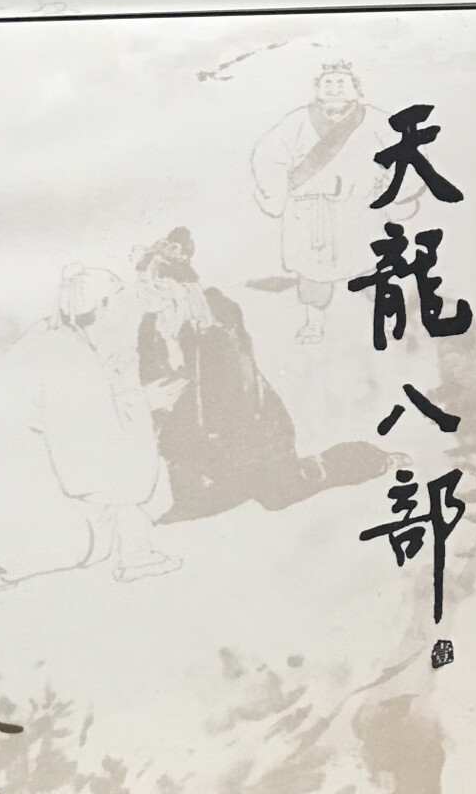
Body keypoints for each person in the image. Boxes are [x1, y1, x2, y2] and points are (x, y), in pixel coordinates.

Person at [134, 227, 391, 521]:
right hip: (188, 440)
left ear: (185, 290)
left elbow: (238, 386)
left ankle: (368, 460)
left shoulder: (218, 324)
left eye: (158, 288)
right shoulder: (148, 329)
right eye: (145, 287)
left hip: (247, 435)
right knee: (193, 501)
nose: (148, 296)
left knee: (277, 493)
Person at [0, 266, 182, 588]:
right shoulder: (72, 358)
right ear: (103, 306)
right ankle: (136, 558)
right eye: (120, 299)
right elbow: (94, 474)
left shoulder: (47, 336)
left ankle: (3, 561)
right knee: (148, 472)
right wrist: (137, 402)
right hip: (53, 532)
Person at [250, 62, 402, 343]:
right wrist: (276, 193)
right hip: (310, 212)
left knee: (373, 265)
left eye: (341, 83)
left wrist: (389, 189)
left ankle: (388, 316)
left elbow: (406, 154)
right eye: (328, 83)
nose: (334, 89)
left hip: (358, 210)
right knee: (312, 272)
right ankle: (314, 325)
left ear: (356, 89)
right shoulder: (296, 122)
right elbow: (269, 156)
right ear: (318, 89)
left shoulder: (378, 122)